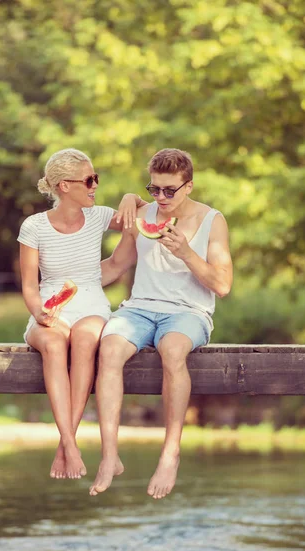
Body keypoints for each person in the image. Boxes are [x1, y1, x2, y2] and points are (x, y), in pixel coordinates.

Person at [90, 148, 233, 499]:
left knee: (172, 350)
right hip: (138, 309)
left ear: (189, 186)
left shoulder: (213, 220)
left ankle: (171, 452)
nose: (161, 198)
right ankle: (109, 453)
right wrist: (62, 283)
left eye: (170, 190)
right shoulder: (141, 213)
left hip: (188, 312)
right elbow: (115, 266)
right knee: (108, 348)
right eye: (154, 189)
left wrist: (186, 252)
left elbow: (222, 285)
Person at [17, 148, 145, 480]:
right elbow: (30, 287)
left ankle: (65, 445)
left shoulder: (99, 216)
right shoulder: (34, 227)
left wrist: (131, 196)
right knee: (55, 345)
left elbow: (142, 217)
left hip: (91, 302)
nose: (94, 186)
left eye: (95, 179)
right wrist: (40, 314)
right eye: (89, 180)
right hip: (49, 305)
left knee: (87, 339)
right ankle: (70, 446)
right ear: (63, 186)